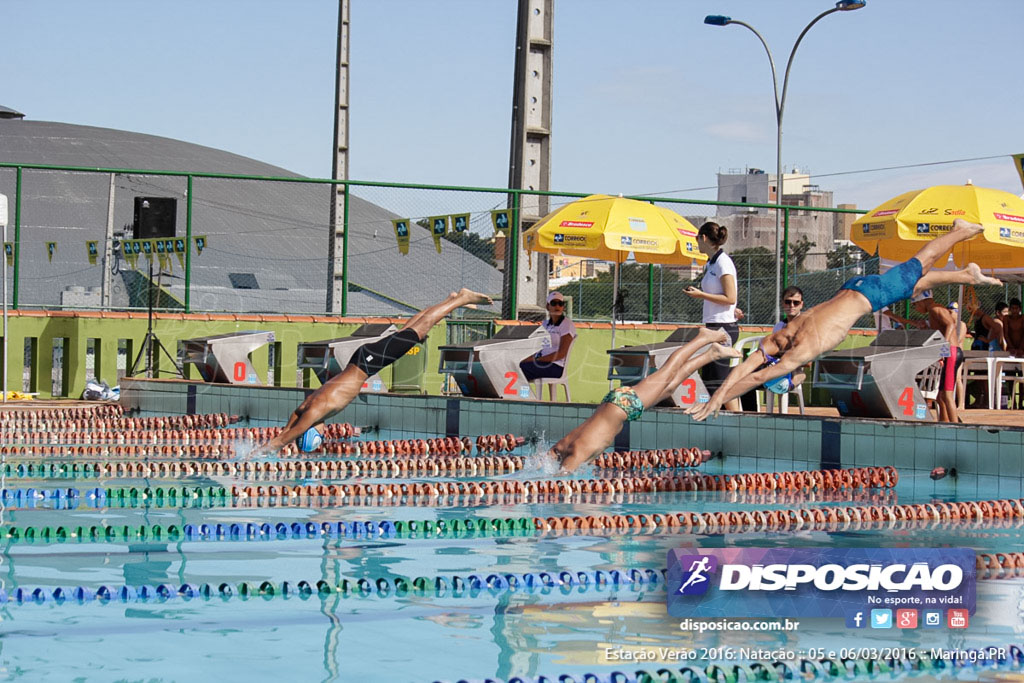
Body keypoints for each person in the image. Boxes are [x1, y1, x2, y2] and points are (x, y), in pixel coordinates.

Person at [687, 218, 1002, 422]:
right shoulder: (782, 336)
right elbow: (744, 368)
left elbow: (753, 376)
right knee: (908, 285)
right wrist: (715, 398)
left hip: (866, 297)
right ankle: (964, 274)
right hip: (852, 288)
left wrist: (715, 401)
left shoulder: (795, 350)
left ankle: (961, 231)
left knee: (918, 266)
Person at [258, 288, 492, 454]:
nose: (324, 429)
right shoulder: (304, 408)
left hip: (367, 364)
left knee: (418, 331)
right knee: (409, 330)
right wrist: (269, 445)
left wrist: (256, 456)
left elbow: (283, 439)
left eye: (320, 433)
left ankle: (461, 299)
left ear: (312, 430)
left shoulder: (313, 412)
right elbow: (286, 432)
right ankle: (449, 299)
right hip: (361, 360)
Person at [553, 328, 740, 472]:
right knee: (670, 387)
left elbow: (563, 475)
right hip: (619, 406)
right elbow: (548, 456)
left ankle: (703, 338)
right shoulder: (563, 447)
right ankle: (711, 354)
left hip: (624, 405)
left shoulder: (575, 453)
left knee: (667, 371)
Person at [684, 222, 741, 411]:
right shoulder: (711, 263)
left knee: (720, 382)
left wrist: (701, 295)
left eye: (696, 239)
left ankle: (739, 422)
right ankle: (716, 422)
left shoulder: (723, 262)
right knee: (709, 382)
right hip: (712, 327)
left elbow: (730, 296)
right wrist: (732, 308)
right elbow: (727, 299)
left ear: (704, 238)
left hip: (723, 329)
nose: (696, 242)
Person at [519, 291, 576, 381]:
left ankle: (524, 395)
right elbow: (538, 348)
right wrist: (525, 359)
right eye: (553, 303)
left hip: (556, 366)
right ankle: (522, 394)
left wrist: (538, 360)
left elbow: (561, 354)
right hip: (542, 362)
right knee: (517, 366)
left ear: (563, 307)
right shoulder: (545, 324)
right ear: (547, 306)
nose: (557, 306)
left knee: (523, 369)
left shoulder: (566, 324)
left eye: (560, 304)